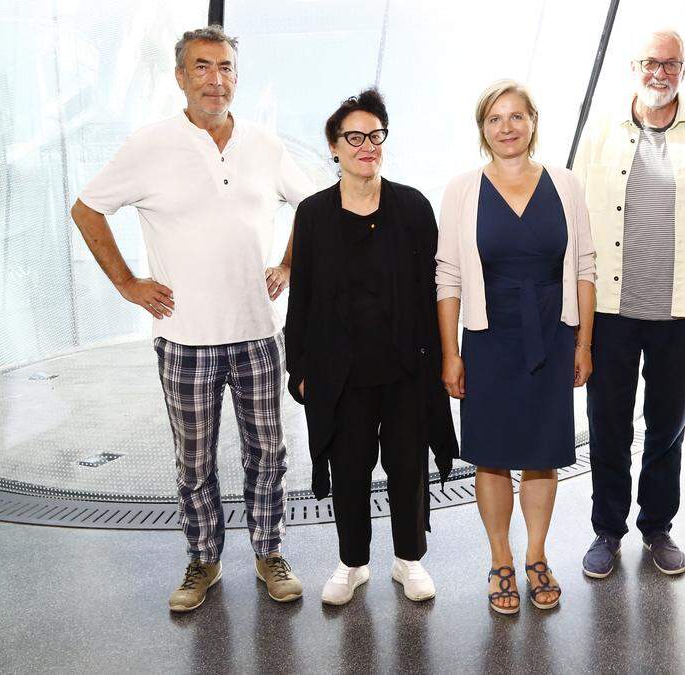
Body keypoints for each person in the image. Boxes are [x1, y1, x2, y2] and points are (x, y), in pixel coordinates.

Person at [70, 25, 311, 612]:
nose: (215, 79)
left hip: (256, 336)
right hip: (185, 341)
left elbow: (314, 207)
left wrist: (287, 265)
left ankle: (269, 553)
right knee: (195, 461)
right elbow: (86, 209)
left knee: (268, 456)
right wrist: (128, 284)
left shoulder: (265, 145)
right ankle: (203, 561)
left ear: (237, 76)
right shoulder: (150, 145)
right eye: (202, 67)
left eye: (225, 67)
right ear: (179, 77)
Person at [572, 29, 685, 579]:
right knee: (608, 426)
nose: (660, 73)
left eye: (671, 64)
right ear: (634, 67)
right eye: (651, 63)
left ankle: (657, 527)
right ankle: (607, 530)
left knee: (668, 427)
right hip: (613, 312)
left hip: (681, 313)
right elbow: (577, 230)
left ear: (683, 71)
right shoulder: (601, 132)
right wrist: (577, 315)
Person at [284, 89, 458, 606]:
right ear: (334, 148)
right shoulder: (313, 214)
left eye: (375, 135)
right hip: (341, 373)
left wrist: (446, 356)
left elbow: (436, 289)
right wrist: (300, 367)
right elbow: (304, 296)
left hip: (406, 368)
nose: (367, 145)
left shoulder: (412, 206)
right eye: (354, 137)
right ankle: (352, 563)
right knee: (350, 471)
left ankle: (409, 560)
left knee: (408, 467)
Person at [436, 80, 596, 614]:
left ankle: (536, 555)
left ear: (533, 122)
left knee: (543, 454)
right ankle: (500, 559)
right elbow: (449, 278)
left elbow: (585, 269)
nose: (506, 128)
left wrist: (584, 342)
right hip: (488, 338)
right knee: (493, 454)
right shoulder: (462, 190)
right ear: (482, 130)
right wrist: (451, 352)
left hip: (553, 335)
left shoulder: (567, 185)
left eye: (516, 117)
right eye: (494, 119)